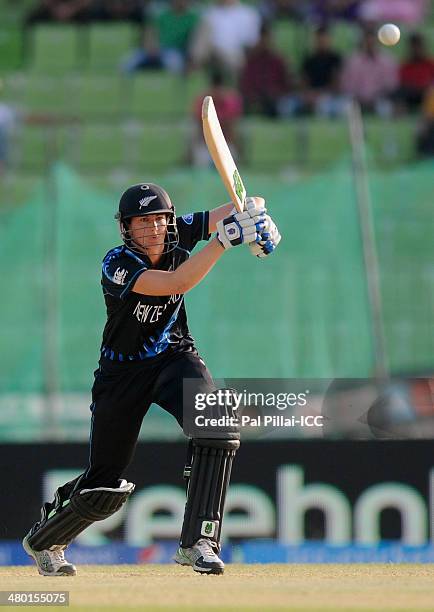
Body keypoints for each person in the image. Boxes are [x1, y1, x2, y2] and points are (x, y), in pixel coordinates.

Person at [22, 183, 281, 576]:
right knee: (104, 486)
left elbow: (242, 203)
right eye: (142, 222)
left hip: (173, 356)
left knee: (216, 426)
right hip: (121, 375)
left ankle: (199, 543)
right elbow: (175, 284)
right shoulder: (117, 264)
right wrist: (223, 242)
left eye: (159, 219)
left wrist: (257, 217)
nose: (154, 228)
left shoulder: (180, 230)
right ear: (126, 228)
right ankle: (45, 540)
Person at [121, 0, 199, 74]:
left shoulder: (194, 17)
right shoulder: (160, 14)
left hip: (176, 52)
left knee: (175, 65)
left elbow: (194, 42)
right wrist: (151, 47)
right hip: (154, 49)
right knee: (127, 64)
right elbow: (150, 33)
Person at [190, 0, 261, 79]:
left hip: (234, 54)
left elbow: (251, 42)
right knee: (205, 27)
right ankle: (195, 64)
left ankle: (195, 65)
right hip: (211, 52)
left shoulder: (248, 14)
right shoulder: (209, 13)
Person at [239, 23, 293, 118]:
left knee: (285, 106)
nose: (265, 42)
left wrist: (276, 94)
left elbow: (286, 84)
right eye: (263, 38)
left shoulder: (278, 60)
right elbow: (246, 85)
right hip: (256, 99)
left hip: (276, 100)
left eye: (267, 38)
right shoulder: (252, 61)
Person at [340, 28, 399, 116]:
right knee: (344, 108)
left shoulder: (387, 61)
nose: (370, 44)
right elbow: (348, 85)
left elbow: (391, 85)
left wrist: (376, 96)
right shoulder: (353, 61)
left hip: (380, 100)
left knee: (386, 109)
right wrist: (360, 97)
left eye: (372, 42)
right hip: (358, 100)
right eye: (367, 42)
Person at [191, 69, 243, 165]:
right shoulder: (203, 100)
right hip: (205, 144)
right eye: (215, 88)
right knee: (201, 158)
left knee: (232, 156)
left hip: (226, 143)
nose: (217, 91)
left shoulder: (231, 100)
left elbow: (231, 127)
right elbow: (199, 125)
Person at [300, 25, 344, 117]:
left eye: (324, 39)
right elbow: (304, 82)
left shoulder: (335, 59)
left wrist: (321, 94)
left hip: (330, 97)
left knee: (325, 106)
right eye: (319, 40)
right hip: (311, 95)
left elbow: (337, 83)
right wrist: (310, 94)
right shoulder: (309, 60)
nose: (321, 42)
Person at [397, 33, 434, 113]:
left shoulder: (430, 63)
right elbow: (402, 83)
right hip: (411, 93)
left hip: (426, 92)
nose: (416, 49)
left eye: (418, 46)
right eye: (414, 47)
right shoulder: (406, 65)